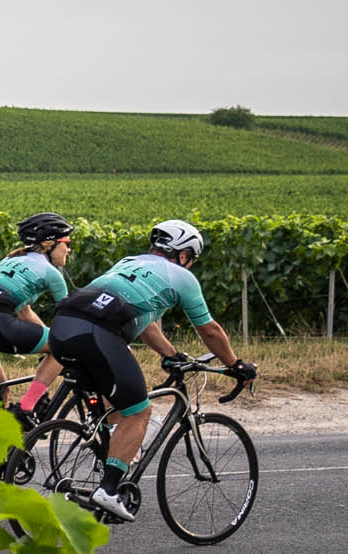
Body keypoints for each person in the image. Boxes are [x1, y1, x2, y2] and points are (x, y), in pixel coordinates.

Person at [47, 220, 252, 520]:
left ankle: (105, 454)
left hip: (62, 327)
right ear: (183, 255)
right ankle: (108, 489)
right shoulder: (181, 277)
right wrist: (235, 365)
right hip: (98, 334)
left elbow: (146, 325)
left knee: (114, 403)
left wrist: (171, 354)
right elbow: (209, 330)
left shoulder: (129, 262)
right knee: (139, 412)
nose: (190, 264)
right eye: (191, 258)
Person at [0, 214, 75, 415]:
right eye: (66, 243)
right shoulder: (52, 273)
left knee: (0, 391)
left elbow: (25, 312)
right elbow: (69, 318)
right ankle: (29, 406)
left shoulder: (8, 261)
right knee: (61, 347)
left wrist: (45, 336)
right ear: (49, 243)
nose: (68, 249)